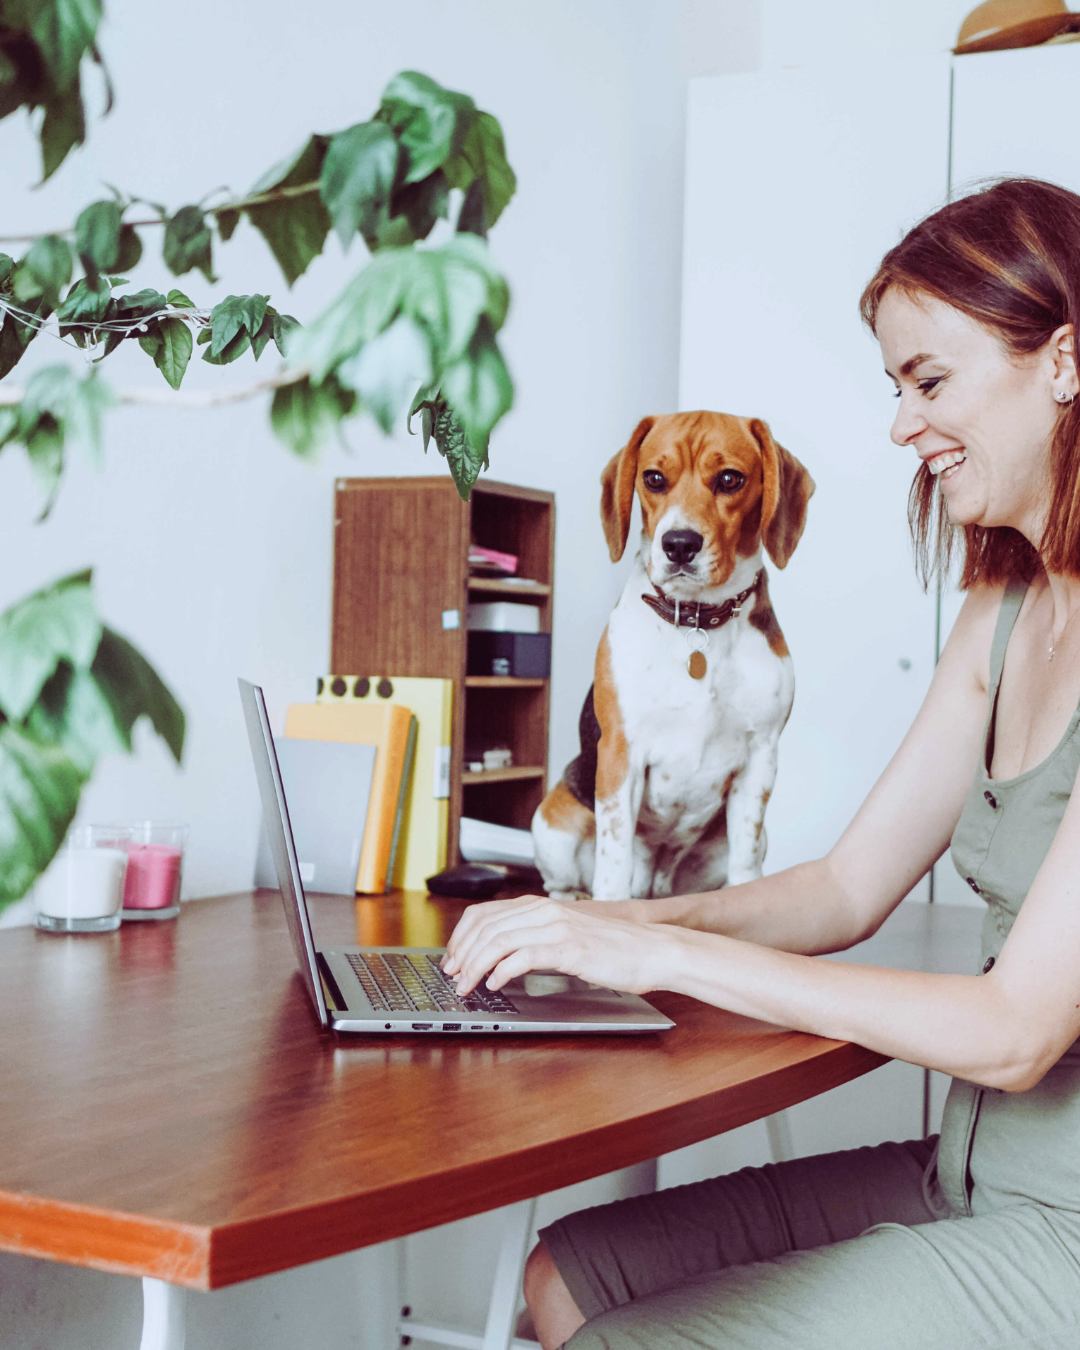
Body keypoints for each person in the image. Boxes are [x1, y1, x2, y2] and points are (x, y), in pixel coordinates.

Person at [441, 177, 1080, 1349]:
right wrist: (600, 932)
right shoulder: (1002, 603)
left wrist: (645, 943)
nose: (900, 426)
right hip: (965, 1172)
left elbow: (1016, 1031)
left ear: (1065, 361)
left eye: (929, 382)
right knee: (566, 1276)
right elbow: (844, 889)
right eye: (894, 388)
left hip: (1069, 1237)